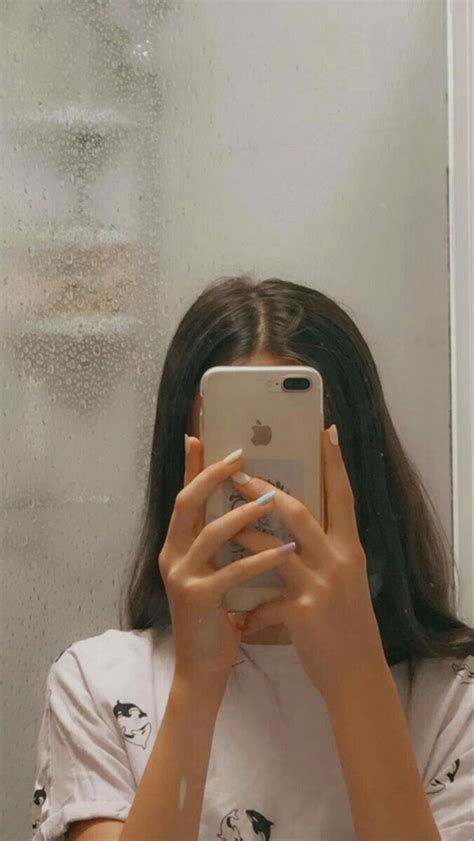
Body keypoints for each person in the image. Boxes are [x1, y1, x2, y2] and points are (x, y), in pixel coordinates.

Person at [31, 276, 473, 841]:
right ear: (183, 475)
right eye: (231, 462)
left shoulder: (455, 696)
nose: (263, 498)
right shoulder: (97, 684)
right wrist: (198, 679)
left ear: (357, 472)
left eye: (287, 468)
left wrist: (355, 673)